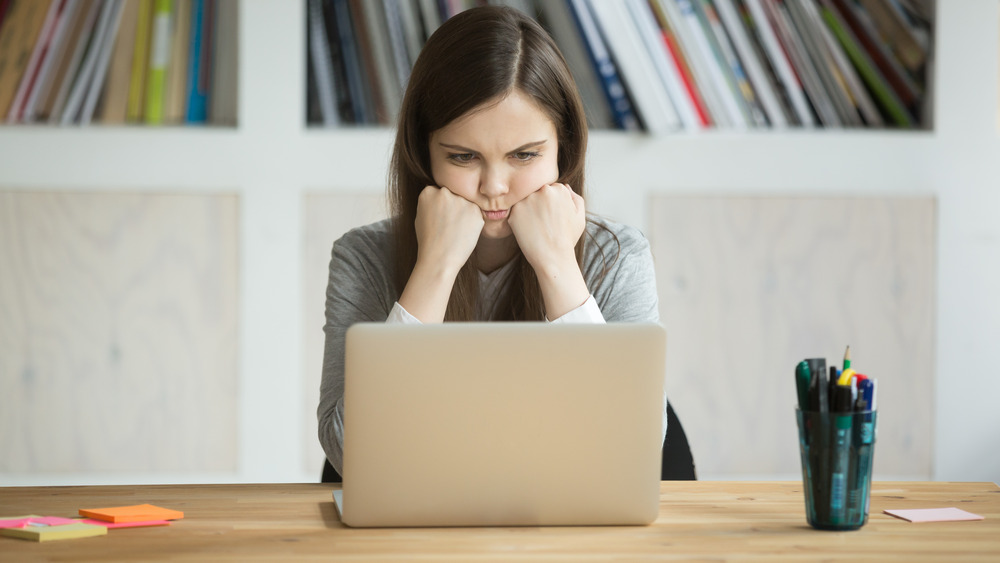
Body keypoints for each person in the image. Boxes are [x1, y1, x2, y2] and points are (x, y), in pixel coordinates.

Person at [318, 6, 666, 478]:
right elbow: (349, 454)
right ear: (424, 152)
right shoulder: (363, 257)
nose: (495, 186)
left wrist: (559, 267)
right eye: (464, 157)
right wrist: (434, 270)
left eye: (524, 155)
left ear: (562, 148)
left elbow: (631, 449)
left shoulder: (618, 256)